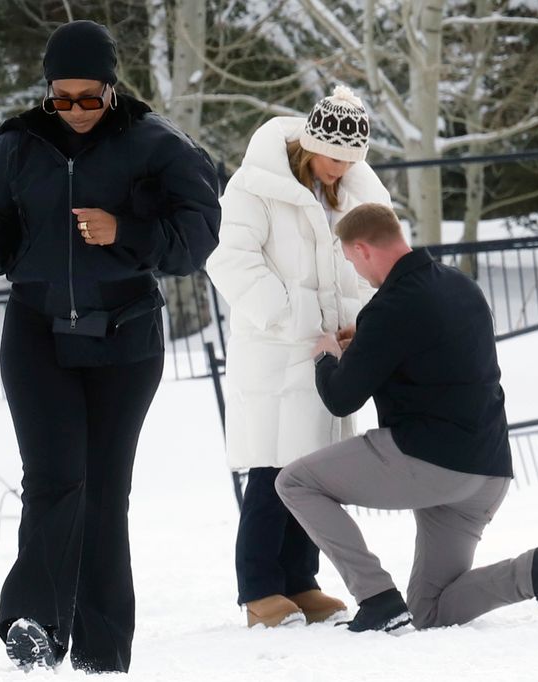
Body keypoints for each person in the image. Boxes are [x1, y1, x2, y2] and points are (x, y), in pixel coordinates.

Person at [0, 20, 221, 673]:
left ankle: (101, 652)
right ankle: (34, 624)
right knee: (54, 480)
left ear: (112, 88)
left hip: (124, 339)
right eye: (60, 98)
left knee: (103, 494)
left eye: (87, 98)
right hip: (36, 332)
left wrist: (124, 230)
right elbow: (4, 233)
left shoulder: (159, 146)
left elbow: (197, 238)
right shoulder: (15, 145)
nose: (74, 111)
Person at [275, 203, 538, 632]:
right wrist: (366, 344)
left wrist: (327, 355)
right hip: (488, 472)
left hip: (429, 463)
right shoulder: (462, 287)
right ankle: (535, 572)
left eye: (351, 262)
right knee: (430, 611)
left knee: (294, 482)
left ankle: (376, 597)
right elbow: (434, 350)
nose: (358, 275)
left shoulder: (389, 307)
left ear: (362, 249)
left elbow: (341, 399)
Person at [205, 87, 392, 628]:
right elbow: (230, 261)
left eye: (353, 159)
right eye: (335, 156)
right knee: (271, 470)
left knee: (312, 472)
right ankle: (260, 589)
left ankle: (300, 580)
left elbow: (368, 260)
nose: (342, 168)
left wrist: (359, 317)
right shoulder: (255, 187)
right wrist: (291, 315)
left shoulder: (353, 191)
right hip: (276, 350)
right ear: (312, 143)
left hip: (329, 351)